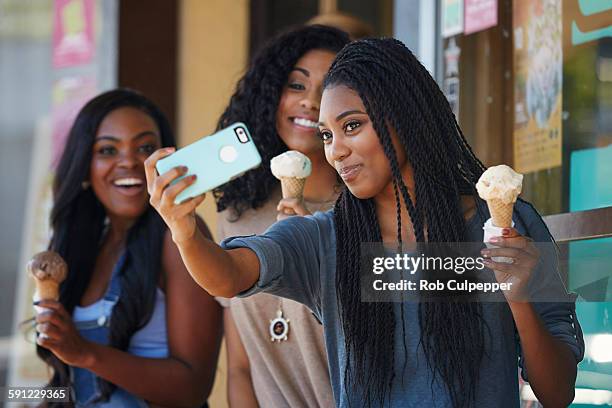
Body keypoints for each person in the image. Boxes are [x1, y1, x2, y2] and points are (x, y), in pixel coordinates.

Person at [145, 39, 584, 407]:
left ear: (406, 116)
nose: (335, 151)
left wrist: (519, 298)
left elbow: (557, 391)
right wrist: (183, 229)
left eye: (351, 126)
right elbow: (227, 275)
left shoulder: (509, 227)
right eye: (327, 135)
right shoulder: (325, 238)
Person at [35, 89, 222, 407]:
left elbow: (193, 387)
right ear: (85, 166)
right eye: (108, 150)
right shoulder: (83, 246)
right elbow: (69, 388)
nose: (130, 162)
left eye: (146, 148)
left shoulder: (178, 237)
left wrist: (85, 353)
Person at [213, 25, 349, 407]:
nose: (310, 102)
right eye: (296, 85)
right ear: (271, 94)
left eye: (328, 90)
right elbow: (241, 366)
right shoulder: (239, 213)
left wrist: (314, 245)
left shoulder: (371, 211)